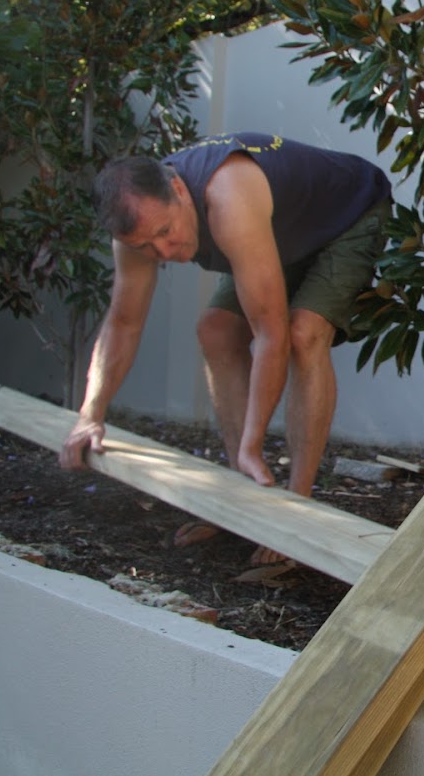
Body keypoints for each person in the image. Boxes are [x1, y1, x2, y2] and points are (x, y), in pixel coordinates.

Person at [59, 132, 391, 564]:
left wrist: (254, 441)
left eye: (165, 231)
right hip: (280, 230)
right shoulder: (135, 225)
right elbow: (123, 322)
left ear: (179, 190)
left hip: (348, 214)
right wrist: (90, 414)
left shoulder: (230, 196)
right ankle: (242, 493)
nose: (163, 251)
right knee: (215, 329)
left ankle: (296, 510)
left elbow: (270, 334)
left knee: (302, 334)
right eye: (146, 247)